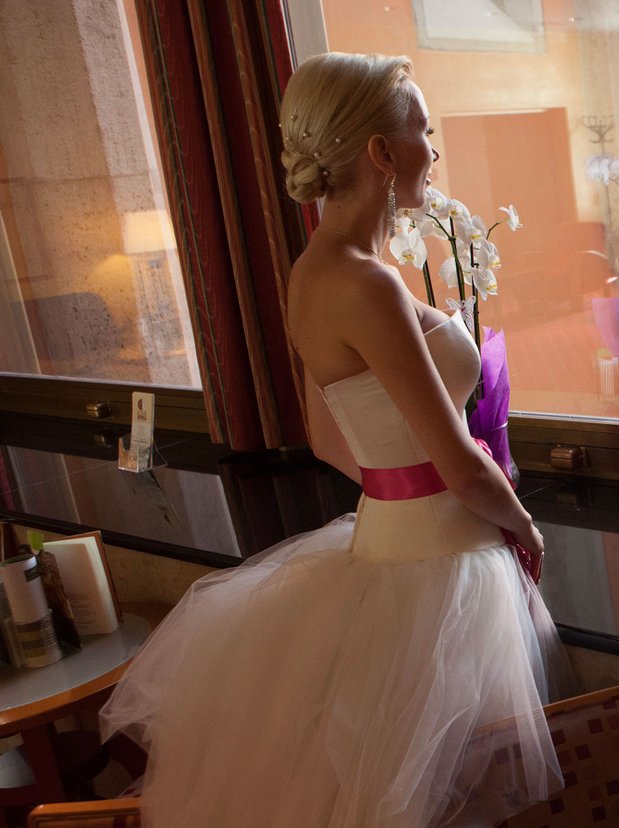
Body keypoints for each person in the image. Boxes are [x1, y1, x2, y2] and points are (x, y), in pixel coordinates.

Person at [100, 53, 565, 827]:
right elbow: (458, 463)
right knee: (458, 799)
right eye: (422, 131)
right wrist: (524, 526)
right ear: (381, 152)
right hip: (441, 562)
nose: (433, 150)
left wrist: (399, 488)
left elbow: (326, 439)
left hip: (384, 544)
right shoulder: (369, 283)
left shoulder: (311, 272)